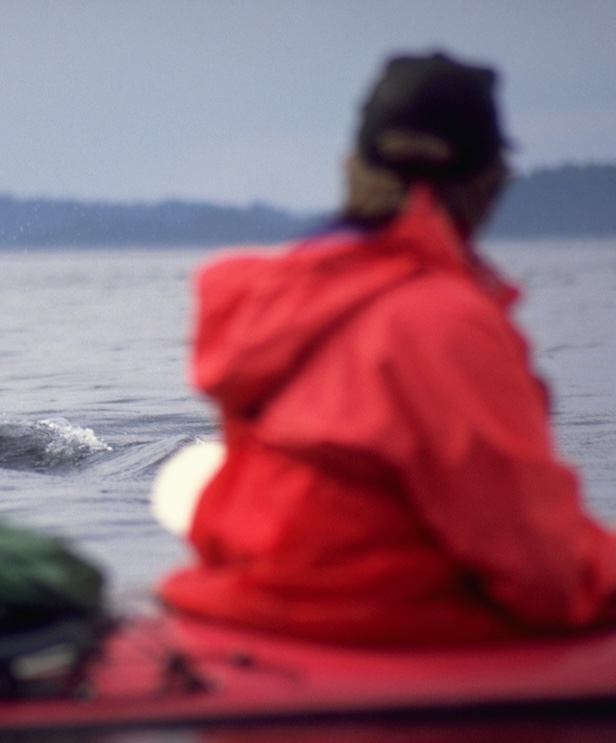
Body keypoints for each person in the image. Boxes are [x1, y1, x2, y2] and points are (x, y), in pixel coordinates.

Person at [158, 51, 616, 646]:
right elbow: (543, 571)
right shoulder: (441, 321)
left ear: (352, 167)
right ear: (491, 180)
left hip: (249, 602)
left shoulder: (273, 300)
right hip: (375, 621)